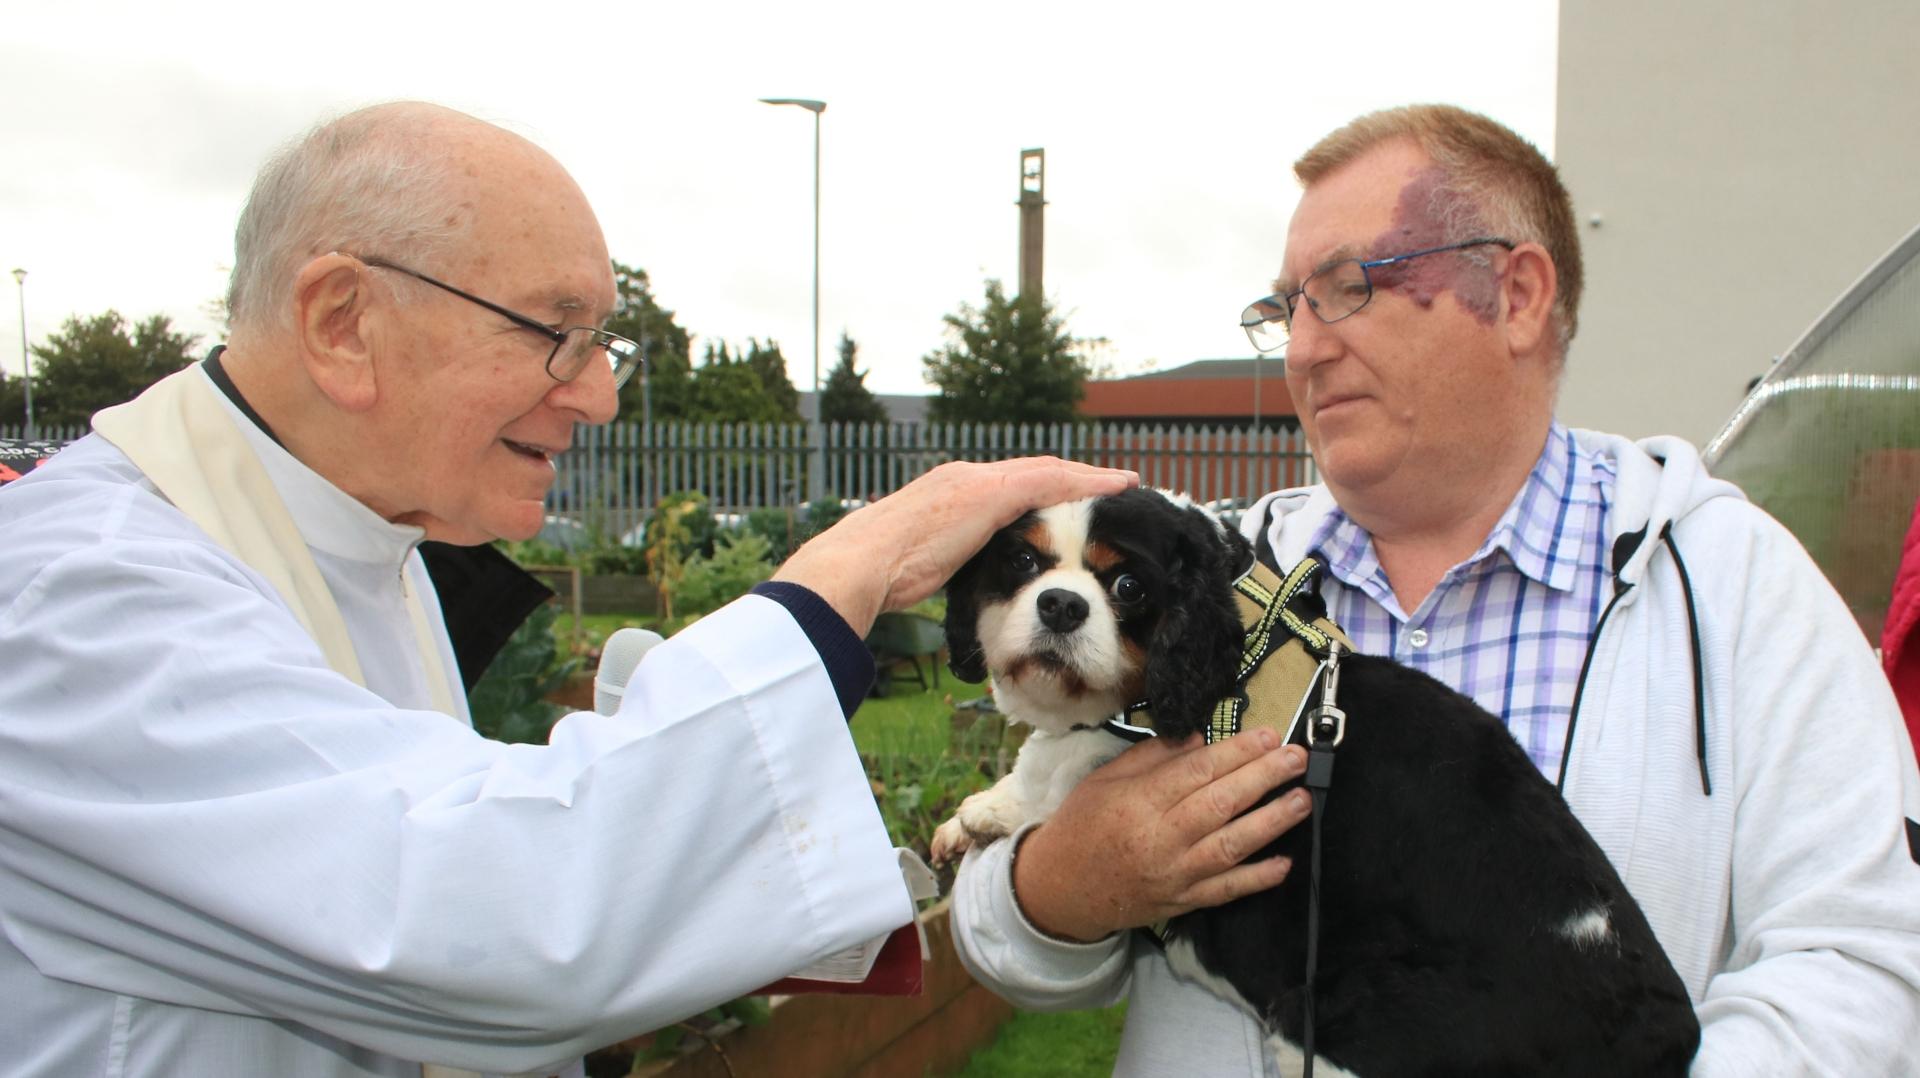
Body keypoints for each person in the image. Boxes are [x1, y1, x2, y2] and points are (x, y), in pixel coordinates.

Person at [0, 101, 1265, 1078]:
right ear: (342, 320)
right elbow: (499, 921)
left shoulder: (354, 545)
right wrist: (851, 568)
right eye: (553, 332)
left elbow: (456, 830)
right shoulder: (85, 601)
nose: (599, 393)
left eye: (601, 342)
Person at [949, 103, 1920, 1075]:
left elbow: (1868, 959)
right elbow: (999, 939)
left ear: (1517, 295)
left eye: (1348, 288)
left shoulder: (1732, 587)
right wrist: (1059, 887)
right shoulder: (1203, 581)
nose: (1303, 349)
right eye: (1288, 308)